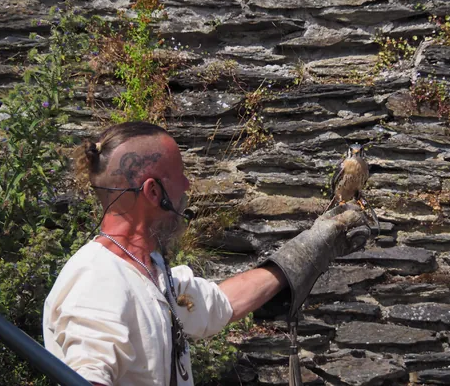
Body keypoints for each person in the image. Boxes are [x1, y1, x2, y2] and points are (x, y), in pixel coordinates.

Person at [43, 122, 370, 386]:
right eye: (180, 176)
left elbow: (219, 304)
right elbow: (87, 375)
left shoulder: (149, 270)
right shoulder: (97, 285)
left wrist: (312, 247)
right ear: (154, 192)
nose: (187, 185)